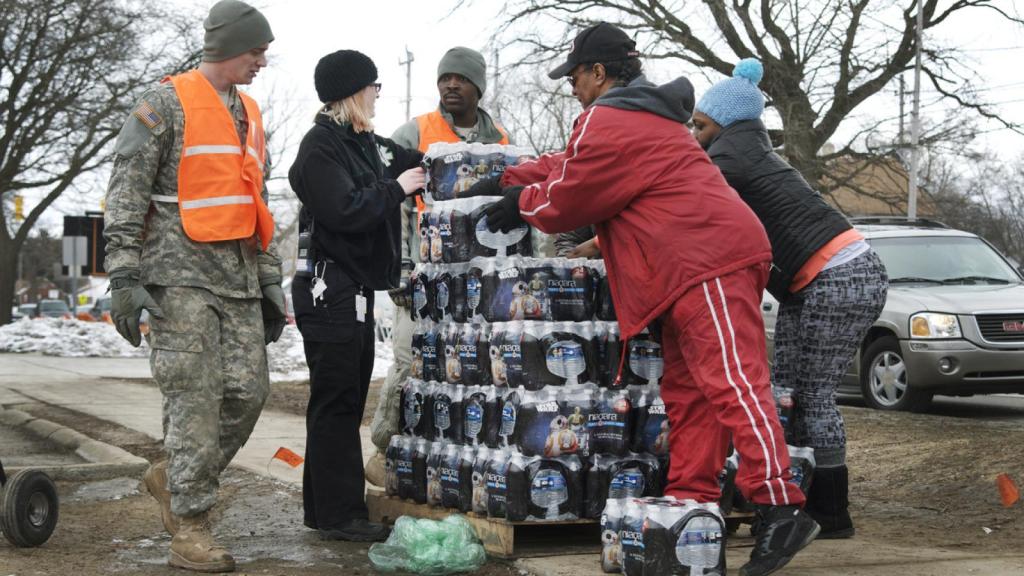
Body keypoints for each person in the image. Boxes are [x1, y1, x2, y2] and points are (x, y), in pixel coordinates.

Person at [477, 22, 819, 576]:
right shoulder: (635, 118)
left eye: (575, 76)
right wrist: (502, 179)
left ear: (598, 72)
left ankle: (780, 506)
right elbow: (569, 166)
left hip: (707, 258)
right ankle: (691, 501)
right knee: (691, 393)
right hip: (684, 268)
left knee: (733, 382)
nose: (571, 87)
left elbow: (569, 197)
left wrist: (519, 201)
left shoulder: (612, 118)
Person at [103, 1, 283, 572]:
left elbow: (256, 199)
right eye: (256, 51)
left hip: (238, 279)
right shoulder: (163, 104)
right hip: (176, 278)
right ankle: (191, 526)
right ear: (228, 47)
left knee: (249, 394)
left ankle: (173, 477)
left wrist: (269, 277)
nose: (261, 62)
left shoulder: (250, 113)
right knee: (195, 401)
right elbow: (126, 192)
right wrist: (123, 275)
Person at [691, 58, 889, 539]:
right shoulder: (747, 153)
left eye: (700, 125)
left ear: (725, 124)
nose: (693, 134)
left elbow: (681, 202)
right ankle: (793, 497)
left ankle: (831, 513)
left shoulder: (729, 162)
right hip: (819, 278)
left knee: (814, 395)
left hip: (840, 275)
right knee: (786, 392)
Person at [288, 49, 426, 542]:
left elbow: (409, 161)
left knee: (346, 398)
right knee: (336, 401)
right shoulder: (320, 147)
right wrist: (396, 190)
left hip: (355, 291)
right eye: (373, 86)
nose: (377, 95)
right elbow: (343, 209)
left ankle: (327, 510)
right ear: (352, 92)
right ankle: (339, 515)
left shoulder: (366, 144)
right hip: (328, 292)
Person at [365, 47, 511, 486]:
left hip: (479, 278)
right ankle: (384, 449)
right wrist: (399, 267)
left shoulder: (501, 142)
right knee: (410, 361)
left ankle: (450, 461)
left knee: (470, 370)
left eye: (460, 78)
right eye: (444, 77)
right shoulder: (414, 133)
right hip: (421, 274)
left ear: (478, 87)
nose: (450, 84)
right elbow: (391, 203)